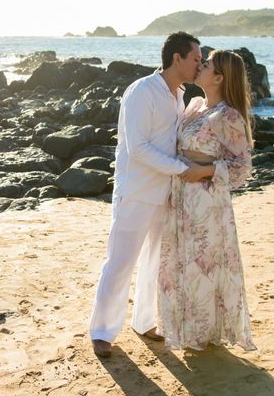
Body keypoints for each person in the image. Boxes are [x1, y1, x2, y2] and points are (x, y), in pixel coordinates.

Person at [89, 32, 211, 358]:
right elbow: (137, 146)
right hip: (136, 190)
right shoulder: (143, 91)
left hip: (165, 193)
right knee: (120, 262)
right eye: (196, 58)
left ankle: (144, 322)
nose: (200, 64)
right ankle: (102, 331)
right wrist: (180, 168)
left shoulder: (180, 95)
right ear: (177, 59)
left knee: (154, 262)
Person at [157, 49, 257, 351]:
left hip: (205, 199)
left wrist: (205, 170)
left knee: (202, 264)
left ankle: (203, 332)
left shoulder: (228, 115)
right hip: (179, 195)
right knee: (181, 261)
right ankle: (183, 327)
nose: (200, 66)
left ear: (219, 77)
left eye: (207, 64)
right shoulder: (196, 104)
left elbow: (243, 168)